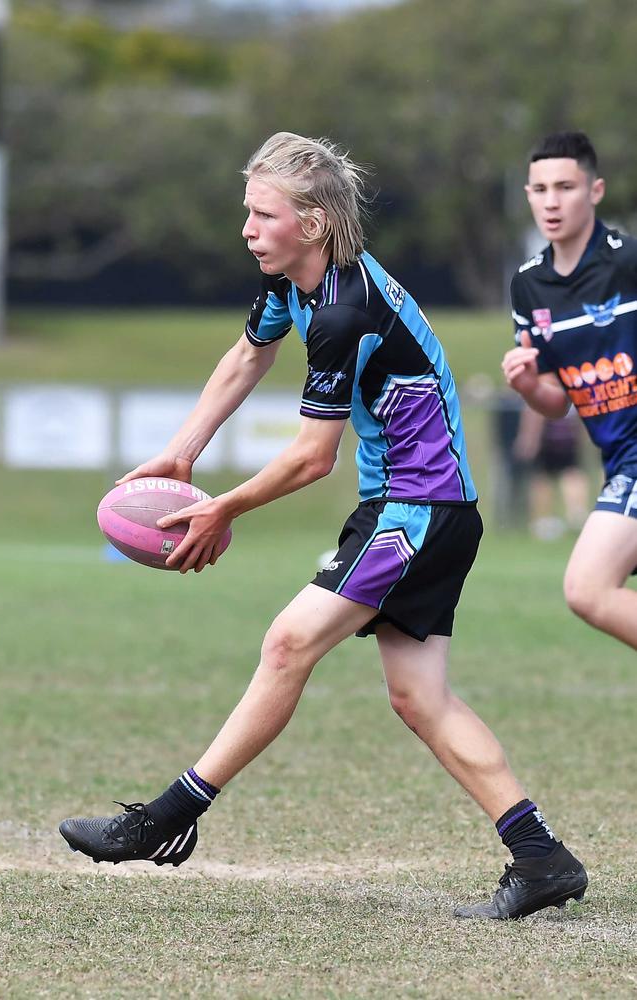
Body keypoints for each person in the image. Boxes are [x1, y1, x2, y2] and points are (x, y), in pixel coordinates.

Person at [60, 132, 586, 920]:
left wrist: (222, 507)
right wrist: (179, 456)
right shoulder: (291, 280)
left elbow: (312, 458)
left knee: (287, 643)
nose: (246, 229)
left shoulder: (345, 308)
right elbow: (246, 358)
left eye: (262, 215)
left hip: (420, 509)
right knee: (421, 699)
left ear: (311, 224)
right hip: (419, 508)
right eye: (247, 212)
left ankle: (165, 820)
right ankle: (541, 858)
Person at [503, 130, 637, 650]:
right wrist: (529, 385)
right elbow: (558, 402)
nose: (552, 201)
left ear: (595, 191)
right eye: (540, 189)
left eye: (566, 186)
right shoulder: (529, 287)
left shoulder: (627, 260)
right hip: (620, 459)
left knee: (588, 587)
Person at [513, 406, 589, 540]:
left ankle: (548, 520)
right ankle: (573, 515)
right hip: (566, 437)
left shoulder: (543, 386)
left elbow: (533, 412)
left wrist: (529, 439)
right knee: (568, 474)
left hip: (549, 437)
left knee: (545, 478)